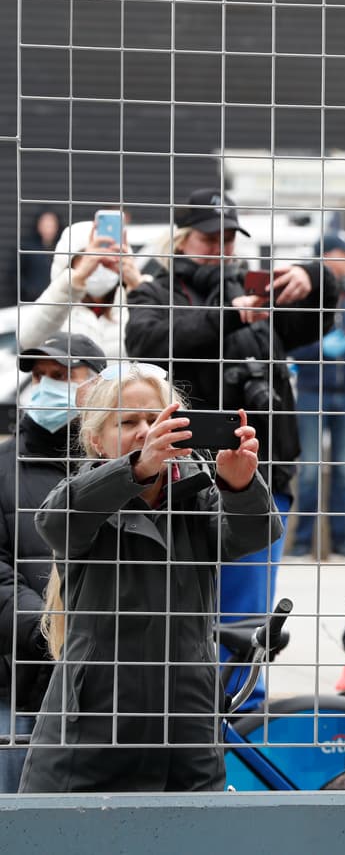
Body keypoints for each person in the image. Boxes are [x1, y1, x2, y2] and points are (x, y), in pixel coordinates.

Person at [19, 364, 280, 793]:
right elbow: (54, 523)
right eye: (128, 422)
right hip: (89, 731)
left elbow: (255, 534)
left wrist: (241, 484)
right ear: (96, 441)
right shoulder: (84, 494)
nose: (145, 431)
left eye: (155, 420)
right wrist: (136, 470)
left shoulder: (199, 494)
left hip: (187, 726)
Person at [125, 188, 335, 709]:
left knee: (247, 619)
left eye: (227, 238)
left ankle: (241, 718)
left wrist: (317, 279)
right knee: (180, 613)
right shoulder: (156, 290)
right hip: (182, 482)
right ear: (181, 239)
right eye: (207, 237)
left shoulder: (256, 292)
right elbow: (146, 341)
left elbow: (319, 318)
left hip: (261, 478)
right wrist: (227, 314)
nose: (220, 248)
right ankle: (184, 714)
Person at [0, 333, 106, 792]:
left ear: (98, 386)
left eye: (62, 376)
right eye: (40, 377)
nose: (46, 387)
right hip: (21, 682)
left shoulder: (124, 466)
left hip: (112, 683)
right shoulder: (5, 465)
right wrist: (49, 627)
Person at [287, 231, 345, 562]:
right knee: (308, 470)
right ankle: (303, 542)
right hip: (311, 392)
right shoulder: (306, 296)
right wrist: (320, 348)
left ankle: (341, 540)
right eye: (342, 254)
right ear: (324, 256)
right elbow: (292, 342)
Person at [19, 220, 151, 360]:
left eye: (109, 256)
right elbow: (28, 340)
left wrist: (140, 286)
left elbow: (166, 345)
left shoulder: (133, 303)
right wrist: (73, 283)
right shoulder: (57, 305)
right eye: (89, 257)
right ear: (68, 263)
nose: (99, 264)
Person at [18, 209, 64, 304]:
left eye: (51, 225)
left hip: (57, 301)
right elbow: (15, 274)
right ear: (38, 226)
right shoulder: (27, 248)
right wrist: (28, 290)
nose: (48, 229)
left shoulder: (63, 247)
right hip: (31, 301)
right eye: (45, 225)